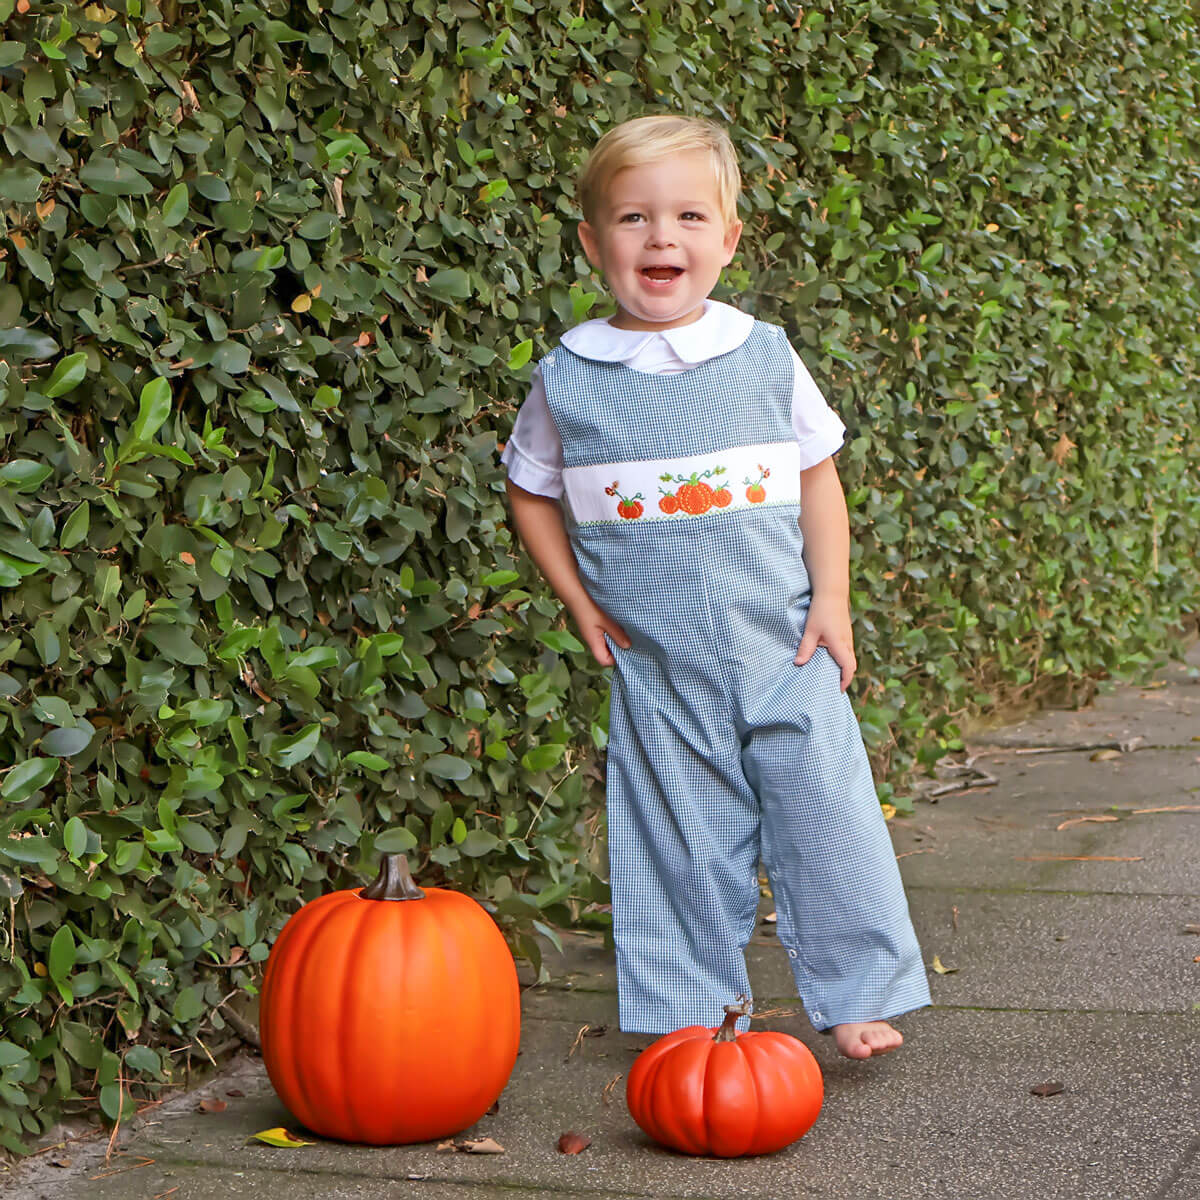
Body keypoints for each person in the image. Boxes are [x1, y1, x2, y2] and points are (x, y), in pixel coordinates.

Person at [501, 114, 930, 1059]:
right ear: (591, 241)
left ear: (727, 240)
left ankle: (858, 993)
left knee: (830, 816)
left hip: (784, 642)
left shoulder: (763, 354)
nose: (663, 237)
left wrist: (833, 598)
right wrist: (578, 601)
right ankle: (692, 1015)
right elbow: (529, 492)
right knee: (679, 844)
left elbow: (819, 477)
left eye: (690, 216)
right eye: (633, 219)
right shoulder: (569, 376)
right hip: (660, 664)